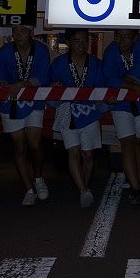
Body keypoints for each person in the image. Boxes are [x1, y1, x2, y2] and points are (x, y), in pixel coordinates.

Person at [0, 23, 52, 206]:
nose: (18, 35)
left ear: (31, 33)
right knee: (20, 146)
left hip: (34, 102)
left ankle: (38, 177)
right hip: (11, 103)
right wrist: (2, 84)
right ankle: (28, 189)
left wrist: (24, 84)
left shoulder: (41, 50)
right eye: (15, 31)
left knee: (35, 144)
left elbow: (44, 77)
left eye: (23, 31)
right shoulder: (5, 51)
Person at [48, 28, 105, 208]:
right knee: (74, 152)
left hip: (89, 112)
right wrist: (55, 89)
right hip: (67, 111)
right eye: (77, 40)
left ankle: (84, 188)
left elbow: (102, 90)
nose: (81, 44)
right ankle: (83, 191)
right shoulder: (58, 64)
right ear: (69, 42)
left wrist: (101, 107)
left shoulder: (96, 64)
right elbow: (50, 91)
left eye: (84, 40)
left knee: (88, 155)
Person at [102, 28, 140, 205]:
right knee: (127, 143)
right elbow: (110, 78)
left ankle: (134, 183)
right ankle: (136, 188)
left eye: (126, 37)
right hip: (121, 104)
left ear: (135, 37)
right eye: (117, 36)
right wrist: (133, 86)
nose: (121, 40)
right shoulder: (110, 51)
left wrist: (124, 82)